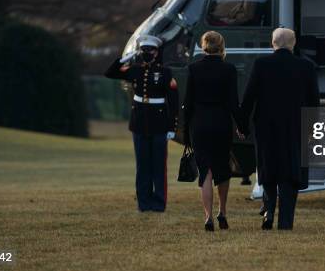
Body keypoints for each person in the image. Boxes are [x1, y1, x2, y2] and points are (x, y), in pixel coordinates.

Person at [241, 28, 320, 230]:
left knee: (268, 169)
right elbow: (314, 102)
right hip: (296, 126)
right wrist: (313, 128)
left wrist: (242, 125)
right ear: (293, 44)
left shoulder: (261, 64)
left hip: (266, 126)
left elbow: (249, 97)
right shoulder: (307, 66)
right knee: (290, 172)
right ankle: (285, 221)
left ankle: (268, 210)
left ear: (272, 43)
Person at [104, 35, 179, 212]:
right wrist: (123, 59)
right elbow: (110, 73)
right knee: (143, 166)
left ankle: (159, 203)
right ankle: (144, 203)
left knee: (158, 166)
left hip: (159, 124)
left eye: (150, 50)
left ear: (156, 52)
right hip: (139, 124)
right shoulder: (134, 70)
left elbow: (173, 102)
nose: (146, 53)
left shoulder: (165, 72)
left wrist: (172, 127)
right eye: (143, 50)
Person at [183, 31, 245, 231]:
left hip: (199, 125)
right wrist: (242, 126)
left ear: (204, 45)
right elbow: (234, 103)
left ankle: (208, 216)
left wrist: (185, 131)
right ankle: (222, 211)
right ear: (221, 46)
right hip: (221, 124)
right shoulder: (229, 69)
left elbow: (188, 103)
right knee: (222, 170)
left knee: (206, 172)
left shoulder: (193, 68)